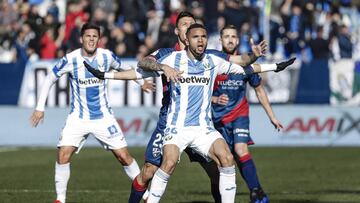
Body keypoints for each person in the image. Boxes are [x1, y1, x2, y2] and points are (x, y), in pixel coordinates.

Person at [85, 23, 295, 203]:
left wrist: (275, 66)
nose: (201, 41)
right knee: (168, 162)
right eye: (196, 37)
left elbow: (246, 68)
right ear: (187, 39)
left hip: (203, 129)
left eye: (203, 37)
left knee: (227, 158)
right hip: (176, 128)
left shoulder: (213, 61)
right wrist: (105, 75)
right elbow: (138, 69)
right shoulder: (172, 59)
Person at [29, 22, 154, 203]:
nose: (91, 39)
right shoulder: (71, 59)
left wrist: (141, 83)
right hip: (78, 118)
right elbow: (50, 78)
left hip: (103, 117)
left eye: (95, 36)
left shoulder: (106, 56)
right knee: (63, 153)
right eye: (88, 36)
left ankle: (147, 196)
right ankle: (60, 199)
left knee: (124, 156)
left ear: (99, 39)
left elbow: (124, 70)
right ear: (81, 39)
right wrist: (40, 108)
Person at [212, 24, 283, 202]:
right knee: (221, 163)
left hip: (239, 115)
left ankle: (256, 192)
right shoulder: (212, 62)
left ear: (238, 40)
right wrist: (214, 100)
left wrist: (272, 117)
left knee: (240, 149)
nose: (230, 39)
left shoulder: (247, 64)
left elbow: (259, 90)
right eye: (226, 36)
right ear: (220, 40)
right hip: (216, 120)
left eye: (233, 36)